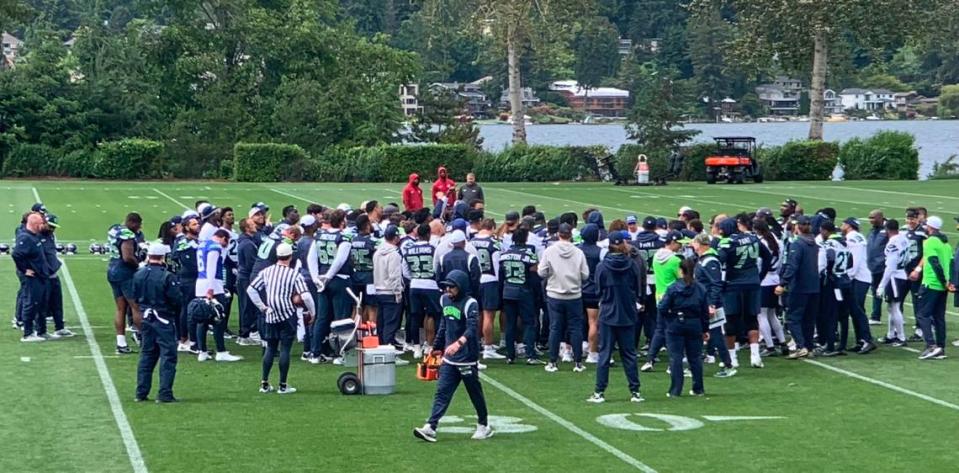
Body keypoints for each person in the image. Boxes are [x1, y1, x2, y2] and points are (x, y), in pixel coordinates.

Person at [413, 270, 492, 443]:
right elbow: (444, 324)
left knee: (474, 393)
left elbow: (472, 328)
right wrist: (437, 346)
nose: (448, 290)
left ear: (461, 287)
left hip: (466, 357)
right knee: (442, 392)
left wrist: (458, 343)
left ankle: (483, 424)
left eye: (451, 287)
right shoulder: (444, 300)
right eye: (446, 286)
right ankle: (431, 426)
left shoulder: (470, 303)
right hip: (449, 358)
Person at [246, 242, 315, 394]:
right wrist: (312, 312)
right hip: (287, 314)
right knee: (285, 348)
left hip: (271, 314)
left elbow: (251, 289)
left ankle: (264, 383)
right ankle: (283, 385)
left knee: (270, 348)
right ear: (290, 256)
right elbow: (306, 296)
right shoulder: (293, 274)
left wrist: (262, 307)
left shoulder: (267, 271)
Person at [587, 231, 645, 404]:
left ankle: (599, 391)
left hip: (608, 312)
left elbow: (598, 290)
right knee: (629, 354)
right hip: (627, 313)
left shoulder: (602, 266)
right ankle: (635, 391)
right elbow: (638, 288)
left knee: (604, 354)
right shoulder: (632, 264)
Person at [717, 215, 770, 369]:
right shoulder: (752, 238)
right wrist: (759, 277)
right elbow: (767, 257)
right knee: (752, 318)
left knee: (731, 319)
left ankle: (733, 358)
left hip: (733, 284)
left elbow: (720, 261)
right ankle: (755, 356)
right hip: (752, 283)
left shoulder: (726, 242)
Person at [133, 242, 181, 403]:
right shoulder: (166, 276)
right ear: (163, 257)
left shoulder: (139, 274)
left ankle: (141, 392)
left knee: (147, 355)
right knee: (168, 356)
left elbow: (134, 295)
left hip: (146, 318)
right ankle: (164, 393)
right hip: (164, 319)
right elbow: (176, 299)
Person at [538, 224, 589, 373]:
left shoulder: (550, 251)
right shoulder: (578, 252)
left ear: (558, 234)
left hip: (555, 294)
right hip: (574, 294)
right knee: (575, 328)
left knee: (555, 327)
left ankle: (553, 362)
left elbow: (541, 272)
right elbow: (585, 275)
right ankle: (578, 362)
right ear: (570, 235)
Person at [308, 209, 354, 364]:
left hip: (322, 280)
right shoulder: (344, 237)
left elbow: (311, 258)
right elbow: (340, 260)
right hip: (339, 280)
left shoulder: (319, 235)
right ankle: (340, 354)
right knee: (341, 318)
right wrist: (328, 277)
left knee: (322, 318)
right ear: (342, 221)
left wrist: (316, 278)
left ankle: (315, 353)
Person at [658, 258, 709, 397]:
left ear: (680, 270)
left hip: (676, 323)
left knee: (675, 357)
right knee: (695, 358)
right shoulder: (700, 288)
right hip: (694, 324)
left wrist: (669, 318)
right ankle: (698, 388)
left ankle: (675, 390)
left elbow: (662, 307)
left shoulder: (673, 288)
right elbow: (705, 311)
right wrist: (705, 329)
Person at [690, 233, 736, 378]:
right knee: (700, 334)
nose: (692, 245)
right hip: (703, 303)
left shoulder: (710, 261)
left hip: (709, 304)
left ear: (701, 244)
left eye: (695, 243)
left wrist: (711, 304)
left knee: (715, 335)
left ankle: (728, 365)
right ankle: (694, 365)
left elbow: (716, 284)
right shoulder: (704, 259)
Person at [195, 229, 243, 362]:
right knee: (219, 317)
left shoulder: (202, 244)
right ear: (223, 238)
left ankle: (202, 351)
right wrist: (211, 288)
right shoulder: (214, 247)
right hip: (213, 285)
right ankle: (221, 351)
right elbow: (211, 267)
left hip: (200, 283)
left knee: (202, 319)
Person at [911, 216, 954, 359]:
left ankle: (931, 346)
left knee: (922, 314)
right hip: (943, 286)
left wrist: (942, 281)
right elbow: (950, 264)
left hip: (932, 283)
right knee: (939, 317)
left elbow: (933, 262)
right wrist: (948, 282)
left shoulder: (929, 242)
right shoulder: (946, 245)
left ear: (929, 227)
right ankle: (940, 347)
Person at [641, 230, 684, 372]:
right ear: (672, 242)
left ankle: (650, 360)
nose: (680, 246)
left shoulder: (656, 257)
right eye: (679, 243)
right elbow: (682, 279)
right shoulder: (675, 260)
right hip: (674, 299)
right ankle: (672, 364)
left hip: (660, 297)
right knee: (674, 332)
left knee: (660, 330)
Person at [777, 215, 820, 359]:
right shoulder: (814, 242)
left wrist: (783, 283)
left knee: (793, 318)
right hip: (814, 286)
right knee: (809, 319)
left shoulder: (798, 243)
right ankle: (809, 346)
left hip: (800, 286)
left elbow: (793, 265)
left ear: (797, 227)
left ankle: (801, 346)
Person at [499, 227, 541, 365]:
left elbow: (501, 276)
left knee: (510, 324)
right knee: (529, 323)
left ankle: (510, 355)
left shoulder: (504, 255)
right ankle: (530, 354)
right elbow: (534, 277)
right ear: (525, 239)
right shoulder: (529, 256)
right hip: (524, 291)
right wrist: (536, 294)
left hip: (508, 291)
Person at [402, 223, 442, 357]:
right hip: (430, 285)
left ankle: (416, 348)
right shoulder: (433, 249)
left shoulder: (408, 249)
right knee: (435, 315)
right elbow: (437, 267)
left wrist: (414, 278)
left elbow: (405, 271)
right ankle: (431, 346)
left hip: (415, 285)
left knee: (415, 316)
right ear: (428, 234)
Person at [108, 213, 146, 354]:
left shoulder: (115, 229)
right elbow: (127, 257)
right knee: (135, 306)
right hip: (125, 272)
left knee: (120, 308)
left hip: (112, 269)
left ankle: (121, 343)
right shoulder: (127, 234)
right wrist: (139, 264)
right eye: (138, 224)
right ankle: (144, 340)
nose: (139, 228)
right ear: (132, 222)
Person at [840, 217, 877, 354]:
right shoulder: (858, 236)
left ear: (849, 226)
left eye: (843, 223)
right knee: (855, 310)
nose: (841, 225)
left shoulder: (852, 238)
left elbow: (853, 261)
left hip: (859, 277)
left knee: (857, 310)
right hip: (861, 276)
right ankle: (861, 340)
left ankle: (867, 340)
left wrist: (847, 276)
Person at [13, 212, 51, 342]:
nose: (44, 225)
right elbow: (16, 254)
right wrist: (25, 270)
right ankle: (28, 333)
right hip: (33, 276)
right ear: (35, 224)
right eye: (41, 223)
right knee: (31, 303)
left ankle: (41, 331)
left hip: (41, 275)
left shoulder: (35, 236)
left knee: (41, 304)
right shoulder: (26, 238)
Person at [471, 219, 504, 360]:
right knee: (488, 315)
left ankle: (478, 342)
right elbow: (497, 266)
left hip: (475, 280)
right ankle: (488, 347)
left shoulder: (470, 241)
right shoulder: (494, 244)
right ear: (492, 228)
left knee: (477, 313)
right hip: (489, 280)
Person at [817, 220, 850, 356]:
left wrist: (829, 272)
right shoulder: (844, 242)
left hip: (833, 282)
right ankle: (842, 345)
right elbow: (851, 261)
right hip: (845, 280)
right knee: (843, 316)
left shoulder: (829, 243)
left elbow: (829, 258)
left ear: (825, 231)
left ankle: (830, 346)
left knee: (830, 314)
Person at [754, 218, 787, 357]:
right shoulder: (777, 241)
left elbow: (760, 263)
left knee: (762, 315)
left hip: (765, 280)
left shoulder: (762, 243)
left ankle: (770, 346)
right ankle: (783, 342)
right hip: (775, 278)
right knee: (772, 314)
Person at [877, 220, 910, 345]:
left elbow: (890, 266)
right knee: (891, 307)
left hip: (894, 276)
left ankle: (901, 337)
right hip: (902, 274)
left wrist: (881, 285)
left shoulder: (892, 243)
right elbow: (908, 258)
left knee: (895, 307)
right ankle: (891, 334)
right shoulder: (904, 239)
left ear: (887, 230)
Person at [39, 214, 73, 338]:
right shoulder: (36, 236)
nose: (52, 229)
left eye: (54, 227)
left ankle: (60, 327)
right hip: (43, 275)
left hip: (53, 273)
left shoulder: (50, 235)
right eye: (50, 226)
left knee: (57, 302)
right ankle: (40, 330)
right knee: (43, 303)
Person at [373, 226, 404, 351]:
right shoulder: (394, 254)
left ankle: (381, 347)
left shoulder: (377, 252)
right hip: (390, 292)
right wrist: (398, 292)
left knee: (382, 322)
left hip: (379, 290)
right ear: (395, 238)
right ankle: (388, 350)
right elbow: (394, 276)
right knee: (391, 323)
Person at [172, 216, 200, 352]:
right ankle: (184, 339)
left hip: (194, 278)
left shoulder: (195, 241)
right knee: (187, 308)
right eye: (194, 224)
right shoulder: (185, 242)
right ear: (187, 227)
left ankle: (192, 338)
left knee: (191, 308)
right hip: (188, 279)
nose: (198, 226)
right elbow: (187, 263)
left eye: (198, 223)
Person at [578, 224, 603, 363]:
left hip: (577, 289)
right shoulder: (601, 252)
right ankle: (592, 353)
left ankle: (576, 348)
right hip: (593, 291)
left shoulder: (577, 250)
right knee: (593, 322)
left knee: (575, 321)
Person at [234, 217, 261, 346]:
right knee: (247, 306)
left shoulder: (246, 241)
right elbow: (251, 263)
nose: (254, 225)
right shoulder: (248, 244)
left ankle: (246, 333)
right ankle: (246, 333)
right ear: (247, 228)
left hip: (243, 277)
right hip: (246, 278)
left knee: (246, 305)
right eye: (251, 224)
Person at [437, 230, 480, 298]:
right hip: (467, 296)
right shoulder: (471, 258)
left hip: (449, 296)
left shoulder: (443, 258)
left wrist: (447, 290)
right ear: (464, 242)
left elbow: (439, 279)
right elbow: (476, 280)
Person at [866, 210, 888, 325]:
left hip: (884, 266)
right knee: (875, 291)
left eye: (873, 218)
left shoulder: (887, 229)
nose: (870, 220)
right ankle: (876, 316)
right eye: (869, 218)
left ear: (880, 217)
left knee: (891, 293)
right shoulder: (872, 230)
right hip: (872, 266)